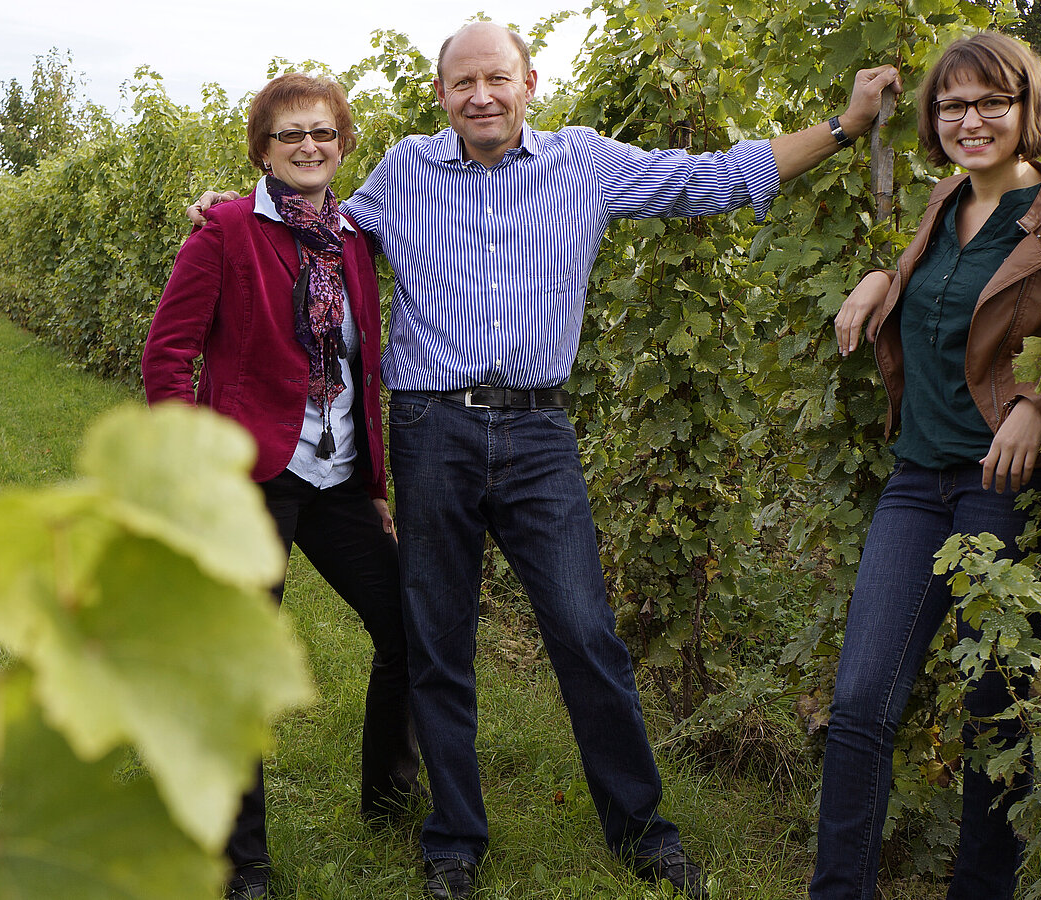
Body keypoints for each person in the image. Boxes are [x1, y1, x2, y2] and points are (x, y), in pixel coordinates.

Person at [191, 24, 898, 899]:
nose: (481, 95)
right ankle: (452, 841)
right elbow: (313, 228)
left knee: (586, 633)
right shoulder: (404, 170)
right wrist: (233, 206)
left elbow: (714, 177)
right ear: (441, 95)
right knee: (438, 640)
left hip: (537, 434)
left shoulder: (585, 163)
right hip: (432, 429)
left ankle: (642, 831)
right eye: (462, 82)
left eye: (497, 78)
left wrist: (843, 127)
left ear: (529, 82)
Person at [822, 31, 1041, 900]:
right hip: (916, 481)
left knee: (996, 711)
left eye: (993, 101)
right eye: (953, 105)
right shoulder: (945, 200)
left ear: (1028, 107)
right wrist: (880, 277)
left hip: (1002, 488)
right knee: (860, 702)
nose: (972, 120)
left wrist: (1038, 402)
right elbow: (935, 284)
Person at [142, 72, 421, 900]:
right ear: (262, 150)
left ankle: (390, 799)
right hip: (248, 482)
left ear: (344, 145)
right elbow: (167, 355)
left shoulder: (352, 239)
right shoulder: (225, 229)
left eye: (323, 132)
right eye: (290, 133)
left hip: (336, 477)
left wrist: (375, 484)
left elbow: (360, 370)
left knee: (407, 628)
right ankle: (242, 861)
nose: (309, 146)